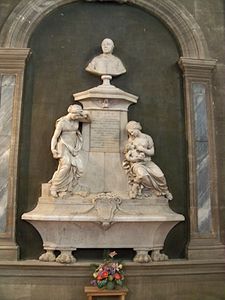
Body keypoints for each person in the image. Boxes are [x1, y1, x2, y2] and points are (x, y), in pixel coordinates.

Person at [123, 121, 173, 200]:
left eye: (132, 132)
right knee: (142, 175)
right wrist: (134, 158)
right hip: (137, 164)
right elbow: (127, 155)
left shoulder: (147, 138)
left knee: (160, 175)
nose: (131, 134)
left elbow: (152, 152)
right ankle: (144, 189)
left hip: (147, 162)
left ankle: (165, 191)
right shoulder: (131, 140)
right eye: (130, 133)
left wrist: (143, 150)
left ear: (137, 128)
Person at [49, 104, 90, 197]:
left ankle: (70, 187)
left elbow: (89, 120)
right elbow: (55, 137)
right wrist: (53, 149)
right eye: (76, 115)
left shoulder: (76, 119)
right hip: (63, 146)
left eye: (78, 115)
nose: (77, 117)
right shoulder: (62, 122)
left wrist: (85, 114)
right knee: (66, 166)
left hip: (74, 147)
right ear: (71, 113)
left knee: (78, 168)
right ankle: (54, 187)